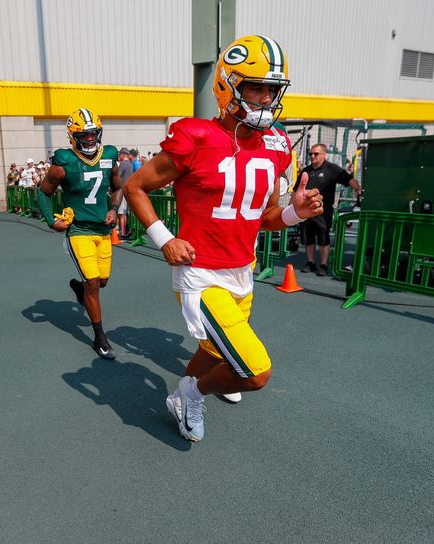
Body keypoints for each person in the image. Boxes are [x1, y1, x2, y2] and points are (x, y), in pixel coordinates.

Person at [124, 35, 323, 442]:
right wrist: (164, 238)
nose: (266, 99)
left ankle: (187, 393)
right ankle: (191, 394)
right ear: (226, 86)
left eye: (272, 90)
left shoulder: (276, 144)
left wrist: (295, 212)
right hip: (200, 273)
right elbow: (135, 187)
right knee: (255, 372)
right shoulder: (195, 136)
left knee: (213, 349)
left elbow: (263, 218)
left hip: (242, 270)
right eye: (255, 87)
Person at [38, 108, 123, 360]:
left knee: (102, 282)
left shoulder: (109, 155)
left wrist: (114, 209)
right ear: (73, 137)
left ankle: (80, 288)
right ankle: (100, 337)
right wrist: (50, 220)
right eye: (84, 135)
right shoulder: (64, 161)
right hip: (79, 230)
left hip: (103, 230)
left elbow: (118, 188)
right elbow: (44, 192)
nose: (90, 139)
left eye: (93, 134)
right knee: (93, 284)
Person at [298, 143, 362, 276]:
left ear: (323, 155)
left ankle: (323, 265)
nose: (312, 156)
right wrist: (293, 206)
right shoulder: (306, 171)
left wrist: (357, 189)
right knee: (308, 237)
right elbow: (295, 190)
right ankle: (310, 262)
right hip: (306, 209)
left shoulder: (332, 169)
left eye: (316, 154)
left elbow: (349, 179)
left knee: (323, 236)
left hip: (323, 210)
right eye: (310, 154)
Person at [117, 147, 134, 239]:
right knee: (125, 212)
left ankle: (122, 233)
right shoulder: (130, 164)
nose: (119, 156)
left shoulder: (123, 164)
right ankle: (126, 231)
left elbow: (117, 176)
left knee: (121, 213)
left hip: (122, 191)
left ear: (123, 155)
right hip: (127, 191)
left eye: (120, 154)